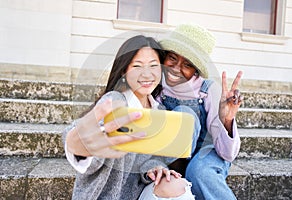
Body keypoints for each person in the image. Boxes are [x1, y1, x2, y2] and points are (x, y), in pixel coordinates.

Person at [62, 35, 194, 200]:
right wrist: (79, 145)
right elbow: (82, 139)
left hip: (139, 194)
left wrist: (155, 168)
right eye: (137, 66)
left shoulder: (159, 110)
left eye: (153, 65)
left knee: (176, 184)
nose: (147, 74)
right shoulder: (115, 101)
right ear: (124, 71)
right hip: (105, 196)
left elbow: (151, 158)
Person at [156, 24, 243, 200]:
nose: (175, 68)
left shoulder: (208, 90)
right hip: (170, 157)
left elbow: (228, 154)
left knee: (200, 172)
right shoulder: (156, 86)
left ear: (196, 70)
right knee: (182, 114)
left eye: (187, 64)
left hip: (208, 153)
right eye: (172, 57)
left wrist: (226, 121)